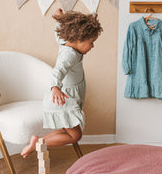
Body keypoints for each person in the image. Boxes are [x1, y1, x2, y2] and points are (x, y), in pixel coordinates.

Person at [21, 8, 103, 158]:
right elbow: (57, 71)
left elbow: (58, 33)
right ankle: (37, 144)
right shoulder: (70, 55)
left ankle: (37, 142)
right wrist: (55, 87)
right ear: (78, 39)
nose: (92, 46)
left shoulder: (65, 41)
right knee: (75, 136)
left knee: (69, 132)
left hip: (64, 100)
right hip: (63, 100)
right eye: (91, 42)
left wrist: (60, 19)